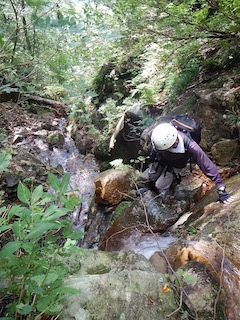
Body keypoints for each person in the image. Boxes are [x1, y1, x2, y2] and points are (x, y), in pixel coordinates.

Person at [142, 123, 234, 204]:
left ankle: (162, 191)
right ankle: (149, 187)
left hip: (176, 164)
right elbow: (154, 153)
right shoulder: (160, 137)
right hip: (160, 160)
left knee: (160, 185)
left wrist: (221, 188)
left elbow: (206, 164)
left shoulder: (190, 146)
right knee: (152, 175)